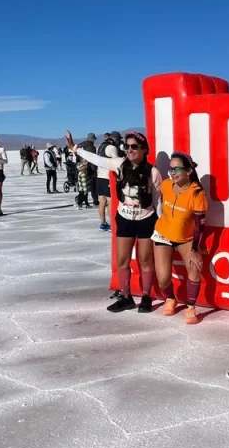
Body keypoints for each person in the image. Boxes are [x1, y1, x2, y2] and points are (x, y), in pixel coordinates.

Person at [68, 130, 162, 313]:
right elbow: (99, 160)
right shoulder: (120, 164)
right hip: (125, 218)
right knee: (122, 260)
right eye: (126, 146)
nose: (129, 150)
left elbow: (158, 199)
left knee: (145, 260)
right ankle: (126, 297)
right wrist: (75, 149)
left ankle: (146, 296)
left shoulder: (153, 172)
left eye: (134, 147)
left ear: (144, 149)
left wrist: (159, 224)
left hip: (146, 219)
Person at [151, 152, 208, 325]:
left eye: (177, 168)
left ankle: (191, 307)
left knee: (194, 269)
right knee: (162, 278)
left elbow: (200, 225)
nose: (172, 172)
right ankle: (170, 298)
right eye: (170, 168)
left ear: (189, 171)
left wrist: (195, 249)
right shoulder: (166, 185)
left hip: (186, 237)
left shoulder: (197, 193)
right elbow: (160, 204)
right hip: (163, 233)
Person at [96, 131, 122, 232]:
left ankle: (103, 223)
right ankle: (112, 224)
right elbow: (117, 163)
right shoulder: (112, 148)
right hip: (108, 177)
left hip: (99, 176)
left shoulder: (100, 147)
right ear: (116, 139)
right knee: (111, 201)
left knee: (102, 200)